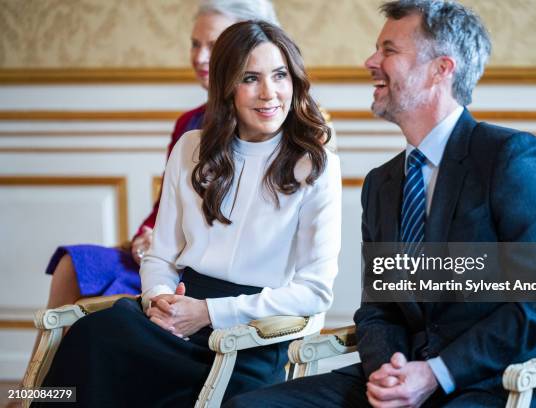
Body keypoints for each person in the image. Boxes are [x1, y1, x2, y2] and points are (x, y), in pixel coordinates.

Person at [225, 1, 536, 407]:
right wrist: (387, 374)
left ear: (441, 69)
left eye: (389, 50)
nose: (370, 61)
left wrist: (436, 374)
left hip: (504, 381)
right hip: (404, 374)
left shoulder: (510, 157)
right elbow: (380, 310)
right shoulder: (382, 183)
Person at [34, 20, 341, 407]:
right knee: (94, 335)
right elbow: (161, 256)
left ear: (294, 80)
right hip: (177, 318)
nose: (269, 93)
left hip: (253, 335)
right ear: (227, 86)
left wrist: (208, 313)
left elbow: (314, 292)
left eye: (279, 75)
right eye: (250, 78)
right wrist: (161, 302)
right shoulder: (190, 148)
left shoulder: (316, 165)